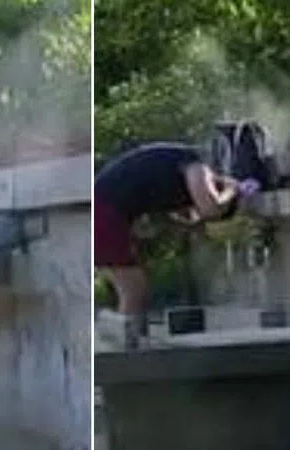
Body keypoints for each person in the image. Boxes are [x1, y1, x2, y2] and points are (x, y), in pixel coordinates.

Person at [93, 142, 258, 345]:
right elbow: (209, 208)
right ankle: (124, 352)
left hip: (102, 209)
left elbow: (183, 216)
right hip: (104, 212)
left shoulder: (173, 177)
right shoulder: (197, 165)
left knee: (132, 286)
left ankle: (125, 338)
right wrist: (233, 189)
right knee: (134, 289)